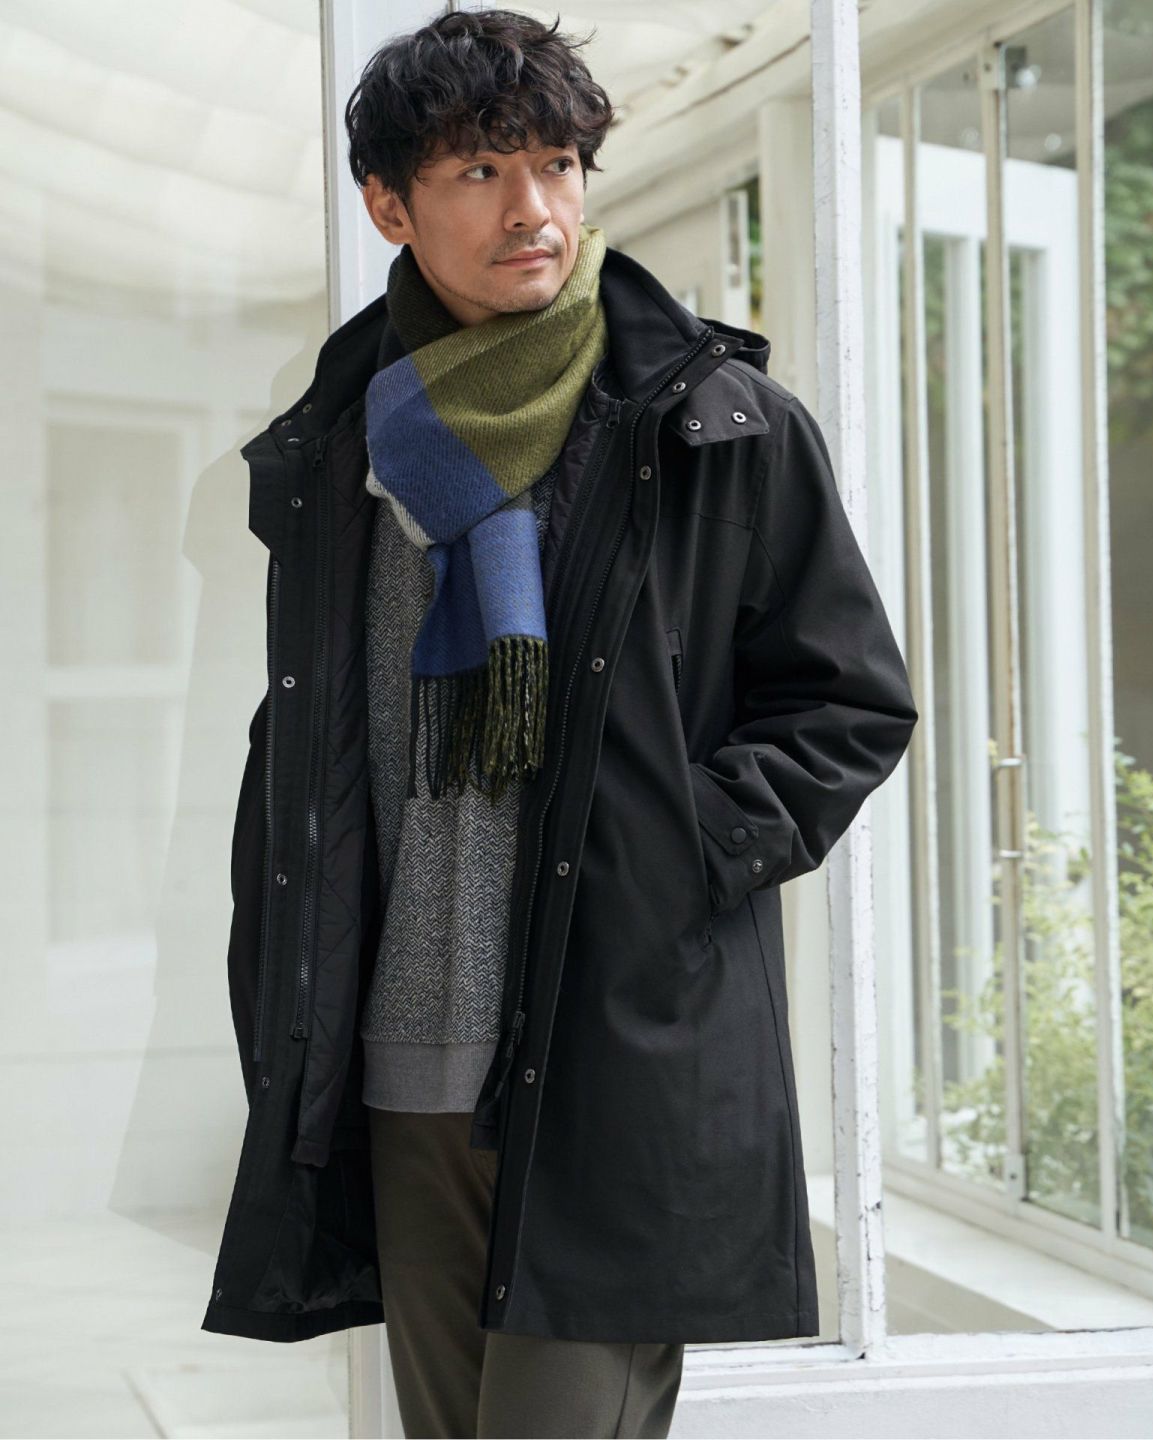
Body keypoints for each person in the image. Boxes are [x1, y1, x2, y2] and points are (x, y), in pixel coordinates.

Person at [202, 9, 918, 1439]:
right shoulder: (346, 436)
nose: (533, 208)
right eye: (480, 172)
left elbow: (847, 700)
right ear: (389, 205)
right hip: (401, 1063)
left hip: (608, 1051)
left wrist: (675, 852)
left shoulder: (711, 425)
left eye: (556, 165)